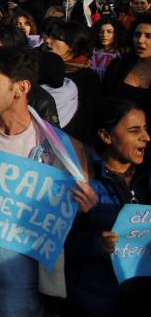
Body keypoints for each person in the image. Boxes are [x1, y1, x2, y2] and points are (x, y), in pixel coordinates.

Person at [0, 46, 96, 316]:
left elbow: (69, 205)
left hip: (21, 257)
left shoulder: (57, 146)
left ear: (21, 87)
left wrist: (83, 206)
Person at [65, 98, 150, 315]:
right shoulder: (83, 179)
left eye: (145, 128)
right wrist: (96, 244)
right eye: (134, 130)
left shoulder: (146, 178)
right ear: (106, 136)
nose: (146, 137)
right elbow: (60, 245)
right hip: (93, 301)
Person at [102, 13, 151, 119]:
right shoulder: (118, 66)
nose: (140, 40)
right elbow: (104, 100)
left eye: (148, 36)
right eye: (137, 35)